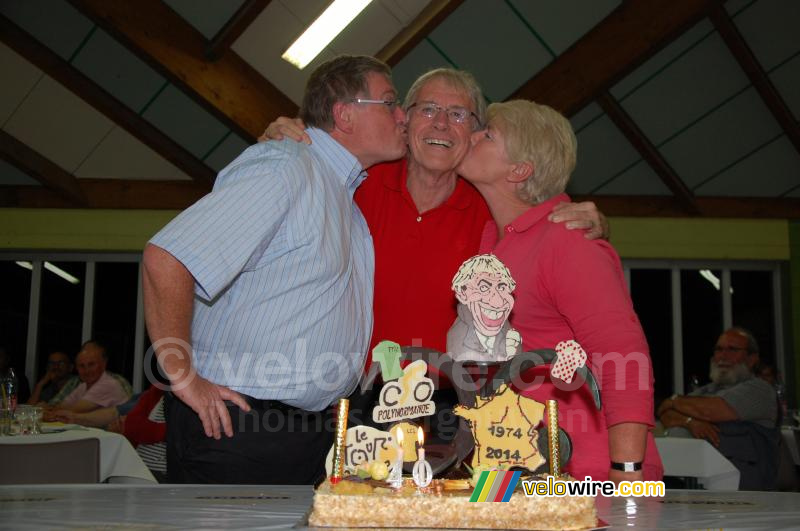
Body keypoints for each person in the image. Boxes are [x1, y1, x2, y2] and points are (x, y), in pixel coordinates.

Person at [142, 55, 407, 484]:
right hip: (237, 428)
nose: (403, 116)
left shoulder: (342, 196)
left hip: (304, 434)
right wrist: (184, 376)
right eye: (391, 102)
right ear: (344, 113)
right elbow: (168, 256)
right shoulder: (287, 167)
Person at [261, 68, 608, 358]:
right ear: (404, 119)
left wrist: (592, 222)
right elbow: (289, 188)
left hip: (449, 402)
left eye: (458, 114)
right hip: (349, 392)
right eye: (428, 109)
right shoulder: (358, 178)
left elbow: (545, 240)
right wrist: (279, 142)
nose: (441, 123)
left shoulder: (491, 211)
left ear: (473, 134)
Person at [454, 99, 662, 483]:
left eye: (488, 134)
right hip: (515, 463)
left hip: (586, 469)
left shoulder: (568, 241)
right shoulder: (492, 240)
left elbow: (622, 353)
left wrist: (628, 474)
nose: (472, 135)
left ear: (519, 170)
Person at [657, 327, 778, 489]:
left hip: (738, 486)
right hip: (688, 479)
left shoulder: (760, 390)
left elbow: (710, 411)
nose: (723, 356)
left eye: (732, 349)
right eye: (719, 349)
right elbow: (664, 412)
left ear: (752, 358)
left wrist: (675, 401)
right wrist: (689, 422)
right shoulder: (708, 390)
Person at [447, 254, 521, 363]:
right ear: (463, 293)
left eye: (502, 287)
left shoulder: (511, 337)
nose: (498, 303)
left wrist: (511, 357)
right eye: (483, 287)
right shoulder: (458, 337)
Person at [49, 340, 131, 413]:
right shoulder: (83, 386)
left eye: (91, 364)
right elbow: (62, 406)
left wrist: (50, 410)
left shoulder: (107, 384)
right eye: (81, 366)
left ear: (103, 365)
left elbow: (75, 410)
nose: (87, 370)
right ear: (76, 368)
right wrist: (49, 409)